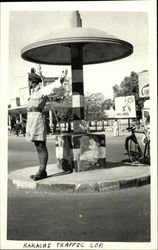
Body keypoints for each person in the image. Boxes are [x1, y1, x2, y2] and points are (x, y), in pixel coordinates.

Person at [26, 71, 53, 181]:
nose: (29, 83)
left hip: (38, 119)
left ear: (32, 82)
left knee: (41, 145)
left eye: (29, 81)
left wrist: (61, 79)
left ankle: (42, 171)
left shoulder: (42, 90)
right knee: (37, 145)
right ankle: (41, 170)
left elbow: (54, 86)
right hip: (32, 120)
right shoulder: (32, 93)